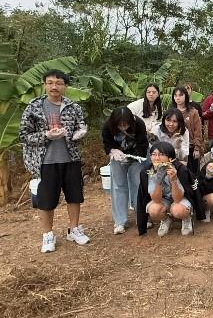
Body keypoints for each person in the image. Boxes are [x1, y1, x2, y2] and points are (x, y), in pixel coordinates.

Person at [19, 69, 90, 253]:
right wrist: (45, 135)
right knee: (46, 200)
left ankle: (74, 229)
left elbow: (81, 127)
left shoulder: (73, 107)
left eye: (58, 83)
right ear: (44, 85)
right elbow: (24, 135)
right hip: (45, 161)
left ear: (65, 86)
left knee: (74, 196)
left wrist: (79, 134)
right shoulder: (34, 107)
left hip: (70, 158)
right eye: (50, 83)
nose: (54, 87)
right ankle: (48, 234)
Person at [102, 107, 149, 234]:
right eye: (120, 125)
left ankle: (141, 217)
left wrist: (132, 157)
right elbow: (107, 143)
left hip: (136, 157)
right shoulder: (108, 125)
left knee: (138, 184)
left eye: (126, 124)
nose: (123, 127)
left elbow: (143, 144)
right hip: (117, 157)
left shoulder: (138, 123)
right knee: (118, 185)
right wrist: (113, 150)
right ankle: (120, 221)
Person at [136, 142, 195, 237]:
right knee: (154, 209)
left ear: (170, 159)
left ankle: (186, 218)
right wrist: (158, 181)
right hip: (164, 199)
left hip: (181, 199)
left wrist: (174, 180)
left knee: (177, 209)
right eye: (153, 155)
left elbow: (178, 199)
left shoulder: (179, 170)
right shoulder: (150, 171)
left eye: (161, 155)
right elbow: (156, 200)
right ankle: (166, 220)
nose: (157, 158)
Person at [172, 86, 203, 174]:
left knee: (191, 175)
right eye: (175, 95)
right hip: (174, 148)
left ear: (186, 96)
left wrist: (197, 148)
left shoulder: (193, 112)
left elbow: (198, 130)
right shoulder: (171, 112)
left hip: (190, 148)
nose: (178, 98)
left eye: (180, 95)